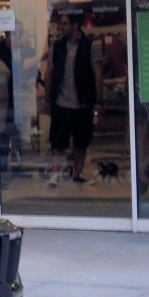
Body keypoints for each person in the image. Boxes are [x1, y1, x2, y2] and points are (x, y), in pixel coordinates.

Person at [44, 12, 103, 186]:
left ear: (76, 25)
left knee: (81, 140)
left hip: (83, 101)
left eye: (65, 24)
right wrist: (48, 98)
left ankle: (77, 173)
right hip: (61, 100)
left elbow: (98, 73)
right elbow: (50, 71)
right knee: (57, 139)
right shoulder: (58, 46)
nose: (62, 27)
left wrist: (99, 100)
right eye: (61, 24)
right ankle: (55, 173)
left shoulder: (90, 46)